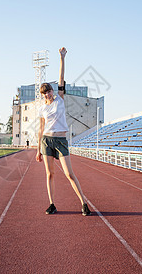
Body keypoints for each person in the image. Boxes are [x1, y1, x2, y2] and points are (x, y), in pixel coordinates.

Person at [36, 47, 91, 216]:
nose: (48, 94)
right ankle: (52, 204)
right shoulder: (42, 109)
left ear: (53, 91)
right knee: (50, 173)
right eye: (45, 93)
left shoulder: (60, 99)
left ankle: (84, 202)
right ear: (43, 95)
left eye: (49, 91)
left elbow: (61, 77)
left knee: (69, 173)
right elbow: (40, 130)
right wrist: (38, 150)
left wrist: (62, 57)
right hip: (46, 141)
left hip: (61, 141)